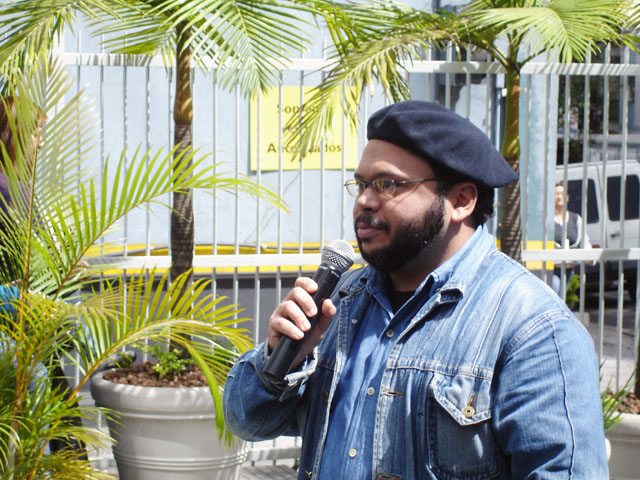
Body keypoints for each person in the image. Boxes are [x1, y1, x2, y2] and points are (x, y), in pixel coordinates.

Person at [223, 100, 608, 479]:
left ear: (461, 200)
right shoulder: (340, 302)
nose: (364, 201)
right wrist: (281, 360)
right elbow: (248, 422)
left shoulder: (535, 330)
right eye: (361, 185)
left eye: (387, 184)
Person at [552, 181, 591, 295]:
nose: (559, 197)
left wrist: (590, 256)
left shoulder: (576, 219)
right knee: (555, 294)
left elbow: (584, 241)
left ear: (567, 197)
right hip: (552, 268)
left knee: (562, 297)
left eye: (562, 194)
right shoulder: (547, 219)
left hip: (569, 268)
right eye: (556, 194)